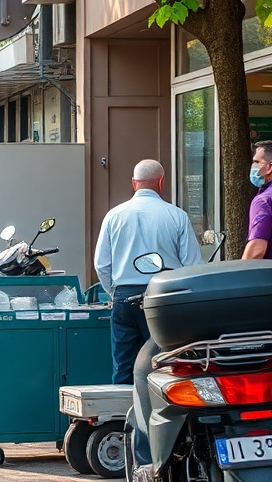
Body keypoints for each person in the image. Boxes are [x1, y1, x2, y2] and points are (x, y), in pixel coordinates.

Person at [94, 159, 201, 384]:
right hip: (164, 299)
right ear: (161, 182)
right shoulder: (177, 216)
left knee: (123, 364)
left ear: (134, 183)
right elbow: (192, 266)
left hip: (125, 297)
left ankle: (123, 415)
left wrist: (115, 292)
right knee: (167, 364)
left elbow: (101, 265)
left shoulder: (114, 216)